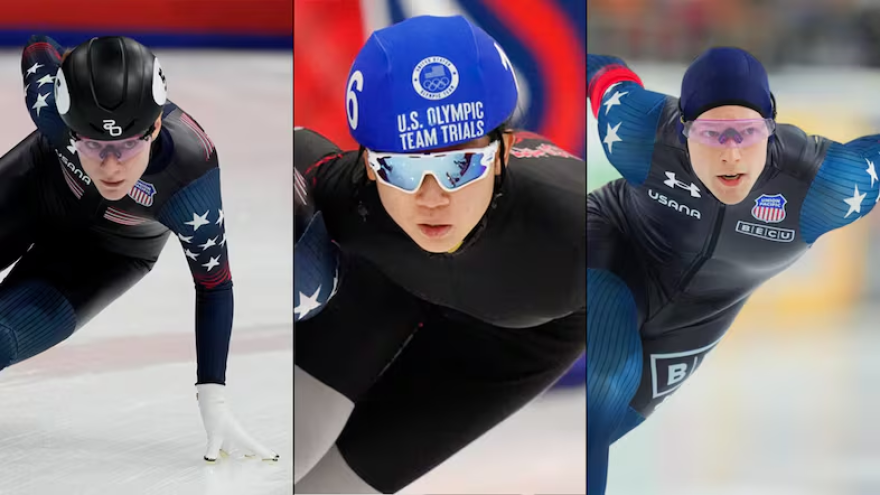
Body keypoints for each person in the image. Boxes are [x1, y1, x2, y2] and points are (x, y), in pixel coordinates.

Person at [294, 15, 586, 494]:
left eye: (460, 165)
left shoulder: (575, 233)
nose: (431, 198)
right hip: (386, 284)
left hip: (516, 341)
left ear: (505, 153)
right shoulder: (348, 194)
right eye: (404, 168)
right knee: (288, 456)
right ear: (368, 164)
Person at [587, 47, 880, 494]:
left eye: (746, 132)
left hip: (698, 318)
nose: (731, 154)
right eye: (710, 133)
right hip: (615, 245)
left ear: (771, 128)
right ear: (682, 131)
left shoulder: (824, 183)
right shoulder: (638, 131)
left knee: (601, 431)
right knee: (601, 390)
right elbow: (596, 67)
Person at [8, 35, 277, 462]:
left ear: (154, 128)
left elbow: (214, 285)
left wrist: (214, 399)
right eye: (92, 145)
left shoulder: (190, 175)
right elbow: (37, 49)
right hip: (37, 189)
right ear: (70, 125)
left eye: (128, 144)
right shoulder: (53, 113)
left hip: (107, 255)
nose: (110, 165)